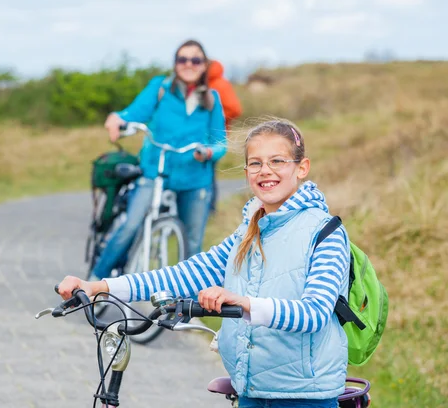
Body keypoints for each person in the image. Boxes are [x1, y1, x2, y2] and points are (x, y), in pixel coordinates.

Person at [59, 118, 350, 407]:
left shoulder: (324, 232)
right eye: (255, 163)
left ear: (302, 168)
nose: (266, 171)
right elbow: (187, 274)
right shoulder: (248, 230)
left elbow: (314, 314)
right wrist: (100, 286)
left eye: (278, 161)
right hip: (251, 390)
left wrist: (244, 302)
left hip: (305, 397)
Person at [90, 39, 228, 280]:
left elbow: (220, 142)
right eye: (182, 59)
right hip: (155, 171)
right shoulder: (160, 88)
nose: (188, 64)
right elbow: (134, 113)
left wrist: (207, 152)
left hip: (195, 178)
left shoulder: (212, 99)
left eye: (195, 60)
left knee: (192, 242)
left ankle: (186, 301)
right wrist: (118, 119)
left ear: (204, 65)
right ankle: (94, 282)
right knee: (130, 226)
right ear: (175, 64)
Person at [207, 59, 242, 213]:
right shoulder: (207, 84)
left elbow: (234, 109)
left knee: (209, 173)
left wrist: (216, 118)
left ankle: (210, 209)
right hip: (205, 136)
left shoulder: (220, 84)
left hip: (214, 136)